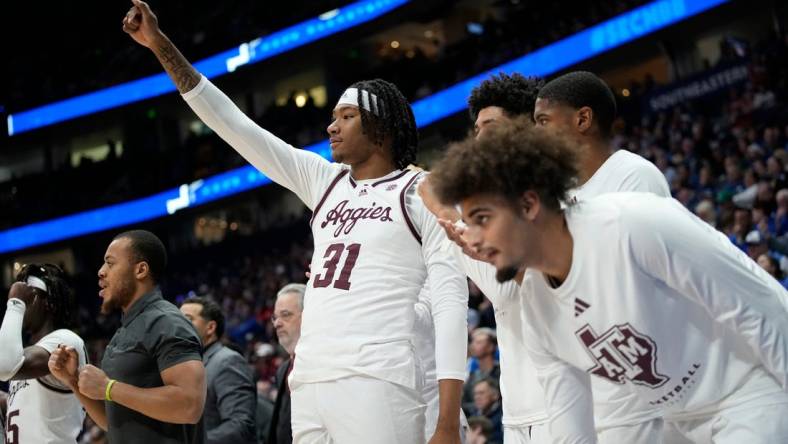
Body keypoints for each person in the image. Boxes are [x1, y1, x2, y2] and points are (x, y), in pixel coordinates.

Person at [123, 2, 469, 443]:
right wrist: (160, 46)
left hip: (377, 375)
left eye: (347, 117)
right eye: (333, 116)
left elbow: (450, 300)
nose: (331, 126)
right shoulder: (324, 181)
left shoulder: (421, 190)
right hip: (310, 378)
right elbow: (236, 126)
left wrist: (446, 418)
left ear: (381, 128)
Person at [430, 124, 788, 443]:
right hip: (676, 422)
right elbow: (571, 432)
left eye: (482, 219)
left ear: (528, 204)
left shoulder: (634, 223)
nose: (472, 238)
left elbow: (764, 309)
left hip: (752, 395)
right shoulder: (537, 307)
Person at [420, 71, 671, 443]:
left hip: (611, 397)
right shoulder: (526, 197)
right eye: (476, 129)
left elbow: (522, 286)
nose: (479, 138)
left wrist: (457, 222)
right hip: (526, 401)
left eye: (490, 126)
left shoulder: (630, 175)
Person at [48, 230, 207, 444]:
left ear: (140, 270)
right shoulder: (124, 331)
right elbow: (113, 422)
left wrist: (108, 388)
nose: (101, 272)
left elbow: (189, 406)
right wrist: (73, 381)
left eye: (110, 263)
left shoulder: (167, 322)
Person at [0, 264, 87, 444]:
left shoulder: (64, 340)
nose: (22, 299)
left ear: (49, 303)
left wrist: (15, 303)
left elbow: (4, 366)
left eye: (28, 294)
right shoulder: (26, 356)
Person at [180, 297, 257, 444]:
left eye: (187, 319)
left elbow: (240, 426)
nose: (178, 325)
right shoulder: (190, 364)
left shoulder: (227, 361)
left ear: (210, 328)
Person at [268, 283, 305, 444]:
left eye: (286, 315)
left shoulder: (326, 365)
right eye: (275, 317)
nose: (277, 323)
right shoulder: (283, 369)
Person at [470, 379, 504, 444]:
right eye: (475, 394)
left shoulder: (503, 417)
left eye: (481, 393)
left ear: (495, 395)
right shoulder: (473, 415)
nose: (477, 397)